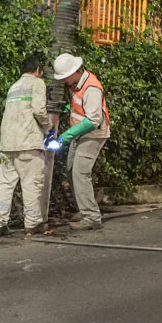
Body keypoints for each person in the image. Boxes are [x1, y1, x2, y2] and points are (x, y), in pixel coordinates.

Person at [0, 54, 52, 237]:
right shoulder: (37, 83)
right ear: (38, 70)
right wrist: (49, 128)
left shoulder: (13, 87)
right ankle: (33, 223)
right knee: (31, 183)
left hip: (8, 144)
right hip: (28, 142)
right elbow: (39, 110)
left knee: (5, 184)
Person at [53, 52, 110, 231]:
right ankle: (85, 210)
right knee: (71, 170)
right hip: (81, 134)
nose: (64, 81)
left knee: (80, 173)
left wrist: (66, 135)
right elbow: (80, 107)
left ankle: (91, 217)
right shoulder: (78, 84)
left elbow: (93, 119)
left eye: (65, 77)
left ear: (75, 71)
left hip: (93, 134)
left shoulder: (91, 87)